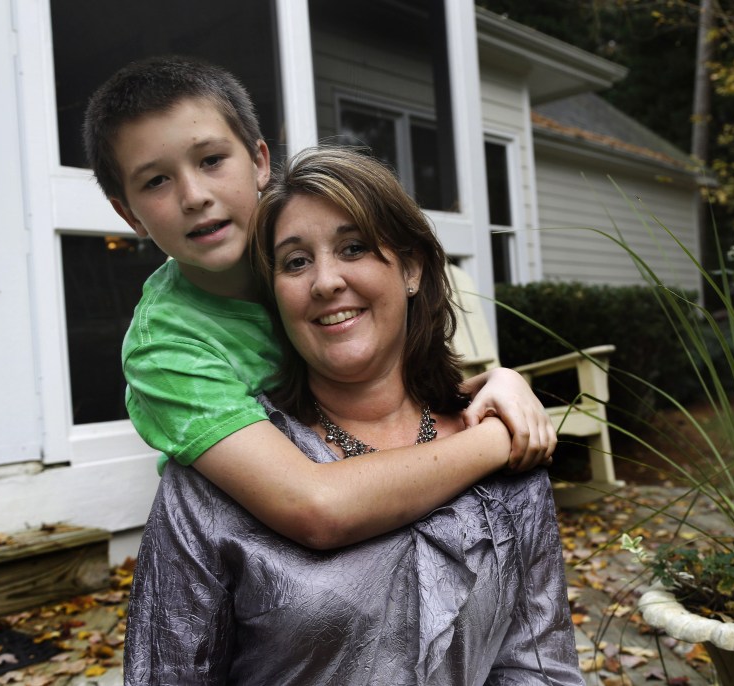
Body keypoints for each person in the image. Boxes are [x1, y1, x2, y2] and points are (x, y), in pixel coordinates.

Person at [124, 146, 581, 684]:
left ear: (410, 268)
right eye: (296, 262)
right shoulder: (216, 482)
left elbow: (538, 666)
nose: (325, 282)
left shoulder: (507, 450)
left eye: (353, 247)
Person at [82, 56, 556, 549]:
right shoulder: (166, 347)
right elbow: (313, 507)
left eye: (211, 160)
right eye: (156, 181)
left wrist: (499, 382)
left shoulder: (304, 257)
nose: (194, 195)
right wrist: (497, 439)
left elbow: (381, 390)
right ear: (128, 214)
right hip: (269, 556)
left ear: (260, 162)